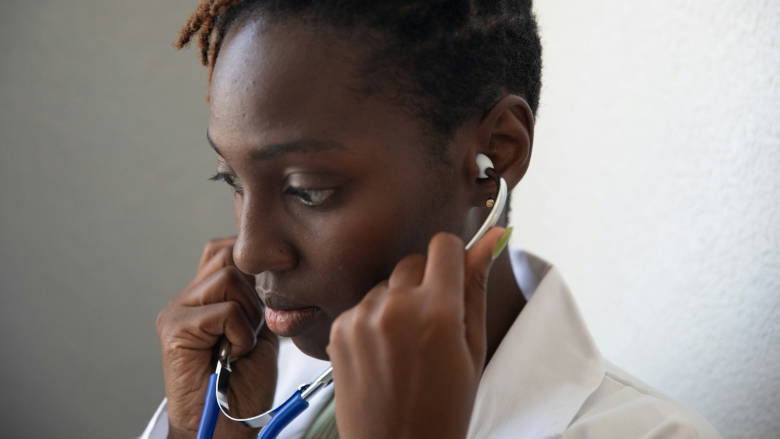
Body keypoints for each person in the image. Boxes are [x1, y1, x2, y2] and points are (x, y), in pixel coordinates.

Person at [142, 1, 723, 438]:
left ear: (495, 155)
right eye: (232, 181)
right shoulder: (256, 385)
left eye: (309, 190)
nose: (247, 252)